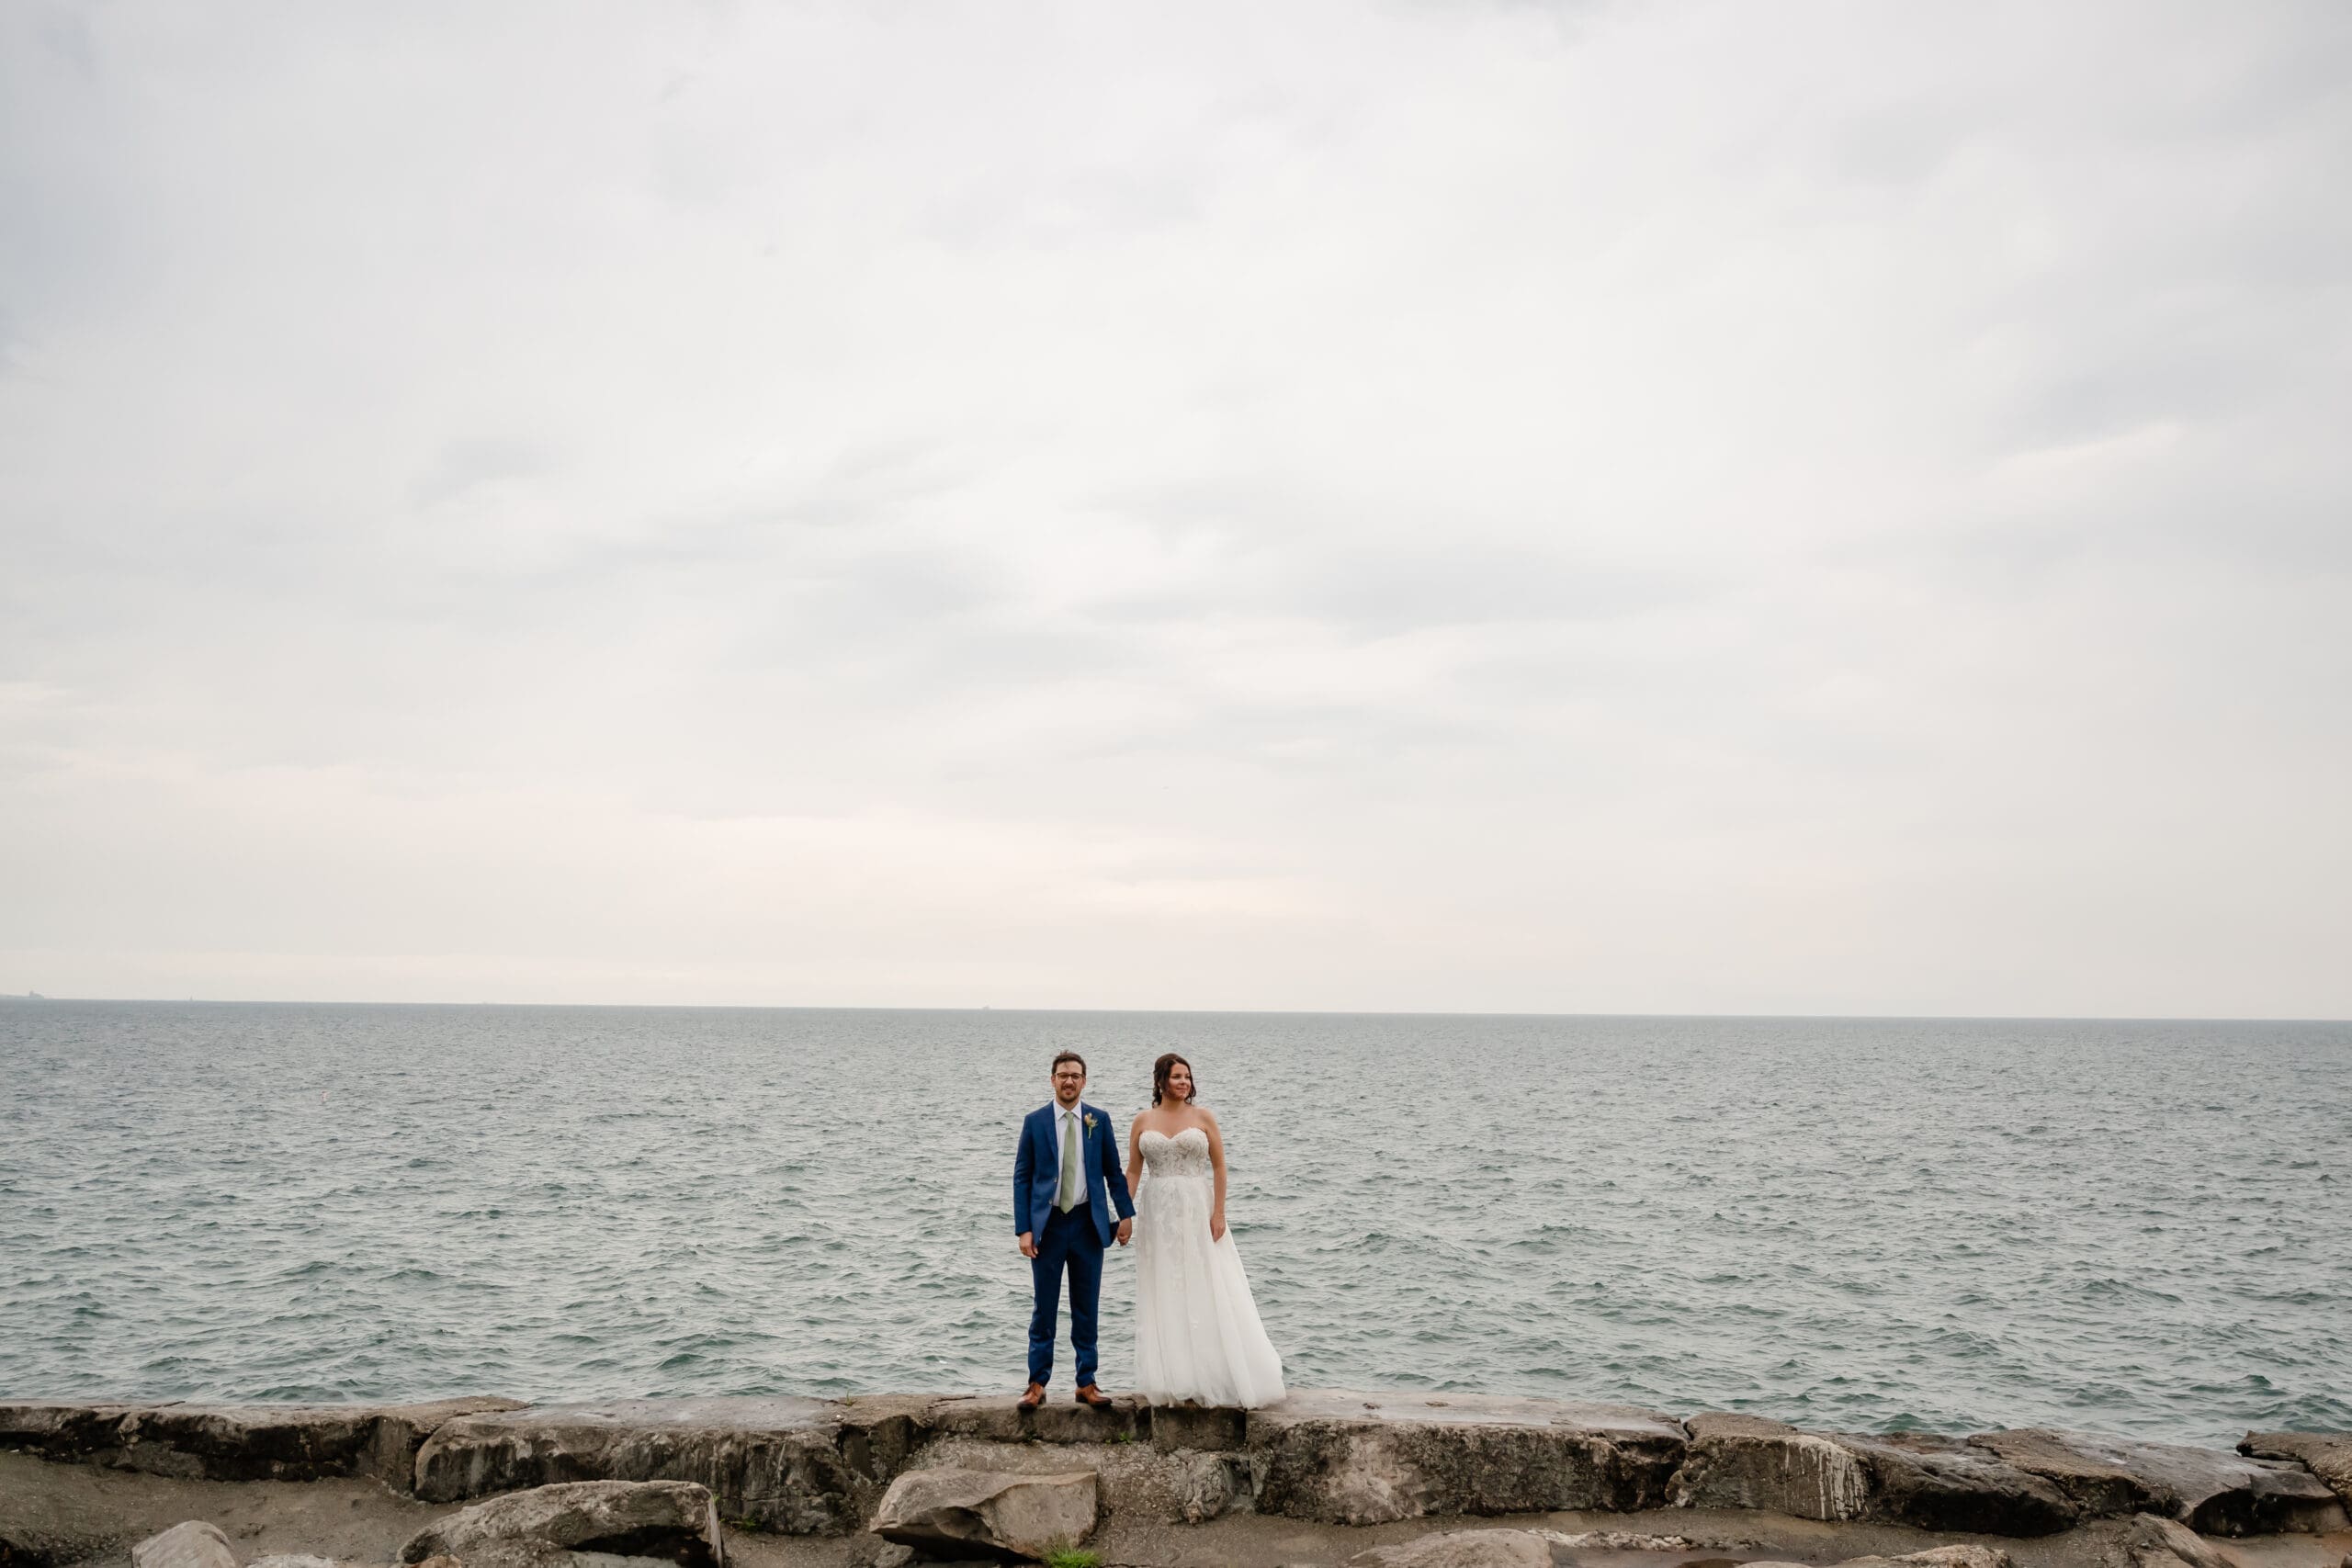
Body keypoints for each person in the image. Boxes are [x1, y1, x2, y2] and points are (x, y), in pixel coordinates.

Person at [1125, 1052, 1285, 1406]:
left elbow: (1220, 1167)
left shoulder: (1203, 1117)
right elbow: (1134, 1171)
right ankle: (1176, 1375)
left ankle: (1216, 1373)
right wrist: (1125, 1213)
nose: (1184, 1082)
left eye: (1187, 1077)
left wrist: (1219, 1212)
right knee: (1165, 1285)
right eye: (1177, 1077)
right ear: (1160, 1081)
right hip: (1158, 1212)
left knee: (1206, 1282)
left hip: (1197, 1208)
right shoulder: (1142, 1120)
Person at [1012, 1049, 1136, 1409]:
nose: (1069, 1081)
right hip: (1047, 1226)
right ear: (1053, 1080)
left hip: (1087, 1224)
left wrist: (1125, 1215)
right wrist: (1024, 1229)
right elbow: (1022, 1177)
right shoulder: (1035, 1122)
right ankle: (1037, 1383)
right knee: (1044, 1308)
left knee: (1087, 1306)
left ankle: (1087, 1381)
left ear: (1084, 1081)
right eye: (1063, 1075)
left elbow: (1114, 1173)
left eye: (1075, 1075)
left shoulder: (1099, 1120)